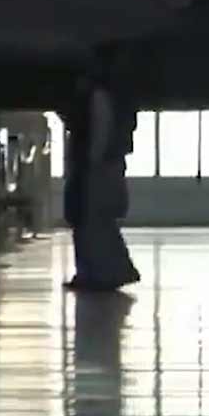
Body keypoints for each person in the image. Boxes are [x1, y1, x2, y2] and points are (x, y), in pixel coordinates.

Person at [62, 46, 141, 292]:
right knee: (94, 221)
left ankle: (101, 272)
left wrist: (92, 162)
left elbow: (99, 132)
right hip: (103, 164)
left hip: (97, 167)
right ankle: (100, 271)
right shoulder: (113, 96)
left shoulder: (98, 96)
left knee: (93, 221)